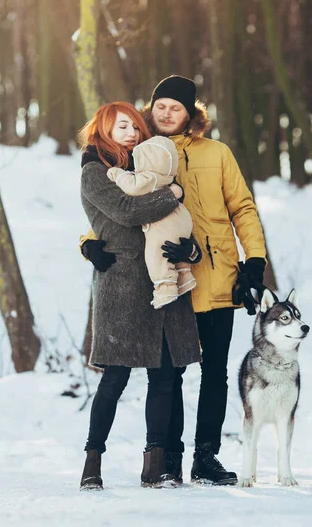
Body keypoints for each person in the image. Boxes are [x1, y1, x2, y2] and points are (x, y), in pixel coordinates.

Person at [80, 76, 267, 486]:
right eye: (160, 105)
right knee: (170, 374)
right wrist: (88, 242)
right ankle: (170, 459)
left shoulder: (216, 153)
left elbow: (243, 207)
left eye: (176, 107)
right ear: (151, 109)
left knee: (214, 373)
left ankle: (206, 457)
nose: (167, 113)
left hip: (215, 277)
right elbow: (114, 210)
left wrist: (254, 261)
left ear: (191, 114)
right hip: (167, 285)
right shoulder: (136, 154)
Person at [79, 101, 201, 490]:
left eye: (135, 126)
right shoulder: (94, 171)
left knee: (164, 377)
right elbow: (127, 210)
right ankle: (92, 461)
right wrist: (174, 191)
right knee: (114, 379)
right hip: (122, 285)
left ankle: (156, 465)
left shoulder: (148, 166)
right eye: (121, 127)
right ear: (103, 131)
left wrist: (191, 252)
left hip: (162, 281)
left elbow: (177, 226)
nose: (131, 133)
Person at [106, 135, 197, 309]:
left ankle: (166, 289)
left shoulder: (151, 177)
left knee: (157, 255)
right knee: (176, 255)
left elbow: (132, 186)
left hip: (164, 224)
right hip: (182, 219)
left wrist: (117, 174)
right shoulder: (167, 177)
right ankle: (185, 276)